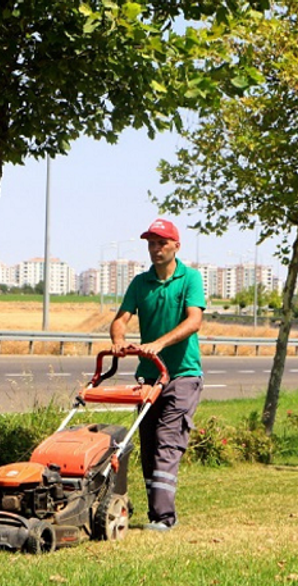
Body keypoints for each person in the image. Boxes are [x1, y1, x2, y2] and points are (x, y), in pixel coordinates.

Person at [109, 218, 205, 532]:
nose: (155, 249)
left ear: (176, 245)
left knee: (167, 440)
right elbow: (121, 319)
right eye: (151, 243)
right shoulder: (140, 283)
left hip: (182, 375)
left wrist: (160, 343)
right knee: (148, 445)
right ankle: (155, 514)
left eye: (161, 243)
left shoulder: (189, 278)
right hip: (149, 377)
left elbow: (194, 321)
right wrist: (119, 341)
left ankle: (164, 518)